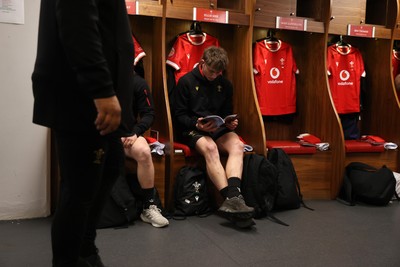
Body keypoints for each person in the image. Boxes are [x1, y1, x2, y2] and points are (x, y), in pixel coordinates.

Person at [31, 1, 135, 266]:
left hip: (95, 93)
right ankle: (70, 259)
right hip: (81, 94)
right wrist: (101, 89)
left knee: (110, 168)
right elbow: (76, 19)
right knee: (79, 189)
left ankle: (85, 251)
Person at [173, 46, 255, 222]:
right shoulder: (185, 82)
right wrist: (196, 124)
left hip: (217, 128)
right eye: (211, 71)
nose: (214, 75)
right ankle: (229, 200)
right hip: (192, 129)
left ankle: (234, 196)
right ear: (202, 63)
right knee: (210, 147)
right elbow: (179, 116)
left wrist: (230, 122)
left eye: (218, 72)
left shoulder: (224, 84)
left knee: (238, 144)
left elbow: (226, 112)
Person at [121, 73, 169, 228]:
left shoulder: (137, 82)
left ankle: (148, 206)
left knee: (143, 151)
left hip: (128, 134)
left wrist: (135, 132)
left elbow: (149, 113)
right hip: (102, 133)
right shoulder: (99, 78)